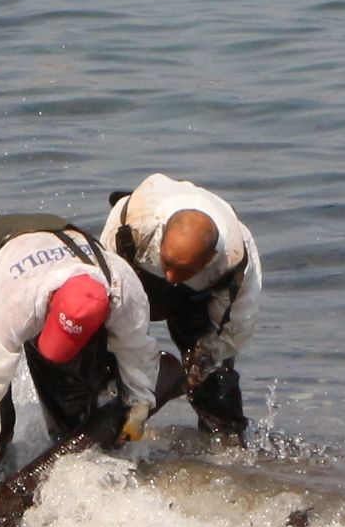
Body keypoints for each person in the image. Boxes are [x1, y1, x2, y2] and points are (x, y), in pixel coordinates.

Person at [0, 213, 158, 523]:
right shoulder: (13, 298)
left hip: (72, 256)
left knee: (73, 402)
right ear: (47, 306)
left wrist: (139, 406)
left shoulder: (123, 289)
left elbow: (137, 351)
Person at [99, 173, 262, 438]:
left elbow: (232, 330)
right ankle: (96, 420)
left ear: (211, 257)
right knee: (103, 347)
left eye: (183, 270)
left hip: (198, 300)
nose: (172, 278)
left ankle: (225, 447)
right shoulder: (131, 224)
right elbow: (104, 288)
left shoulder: (235, 260)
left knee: (214, 380)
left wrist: (200, 365)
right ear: (161, 237)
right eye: (169, 264)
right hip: (135, 275)